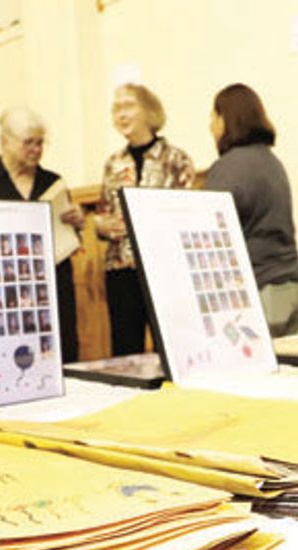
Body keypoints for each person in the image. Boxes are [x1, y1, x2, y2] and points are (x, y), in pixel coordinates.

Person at [0, 107, 85, 363]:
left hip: (52, 284)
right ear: (5, 141)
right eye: (29, 142)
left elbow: (70, 234)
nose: (37, 149)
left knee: (61, 355)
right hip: (4, 288)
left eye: (41, 143)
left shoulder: (52, 181)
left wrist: (77, 222)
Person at [97, 84, 195, 355]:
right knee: (126, 353)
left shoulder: (176, 159)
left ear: (149, 111)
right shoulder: (113, 162)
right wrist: (101, 225)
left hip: (164, 268)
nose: (121, 114)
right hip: (121, 269)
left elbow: (186, 215)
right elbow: (104, 212)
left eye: (128, 106)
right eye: (116, 109)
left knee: (173, 350)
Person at [205, 83, 298, 337]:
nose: (210, 126)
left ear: (225, 118)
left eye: (213, 117)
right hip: (293, 286)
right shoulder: (272, 162)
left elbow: (210, 235)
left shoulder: (227, 168)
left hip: (261, 289)